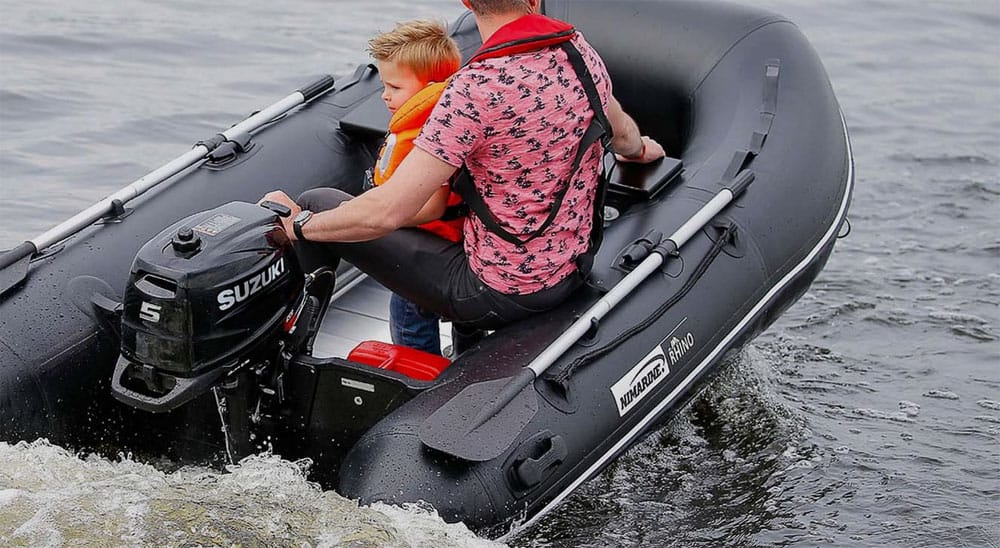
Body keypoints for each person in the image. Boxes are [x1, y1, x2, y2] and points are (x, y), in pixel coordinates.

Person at [262, 0, 665, 355]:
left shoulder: (474, 90)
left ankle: (288, 351)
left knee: (319, 202)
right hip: (572, 265)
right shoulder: (580, 53)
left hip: (496, 289)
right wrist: (643, 151)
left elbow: (387, 212)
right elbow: (624, 135)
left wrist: (299, 226)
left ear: (467, 3)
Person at [366, 19, 464, 356]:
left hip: (433, 244)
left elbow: (432, 206)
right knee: (461, 319)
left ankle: (419, 373)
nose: (384, 95)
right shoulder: (448, 115)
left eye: (394, 88)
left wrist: (381, 216)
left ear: (430, 87)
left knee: (408, 311)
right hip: (451, 241)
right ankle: (466, 359)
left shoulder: (428, 135)